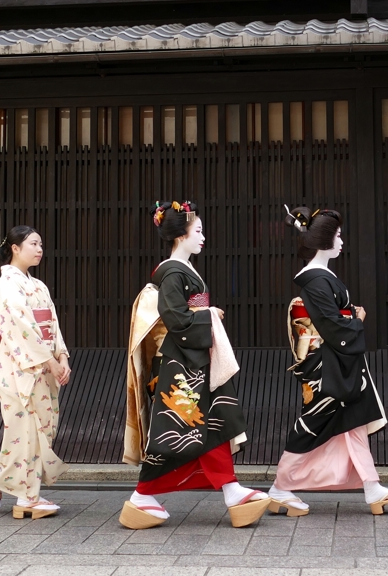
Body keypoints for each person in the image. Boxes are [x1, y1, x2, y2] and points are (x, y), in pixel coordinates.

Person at [121, 201, 268, 530]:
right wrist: (208, 315)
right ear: (180, 236)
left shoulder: (178, 270)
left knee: (208, 423)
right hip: (182, 363)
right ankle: (145, 495)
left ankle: (228, 491)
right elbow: (176, 318)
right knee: (185, 429)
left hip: (192, 359)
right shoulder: (172, 272)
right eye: (197, 231)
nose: (203, 237)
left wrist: (205, 315)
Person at [267, 206, 388, 517]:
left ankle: (372, 487)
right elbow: (332, 325)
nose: (342, 241)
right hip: (324, 364)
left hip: (335, 360)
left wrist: (350, 320)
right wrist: (356, 320)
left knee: (354, 420)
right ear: (323, 240)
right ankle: (280, 487)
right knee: (313, 423)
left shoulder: (321, 277)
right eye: (338, 235)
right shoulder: (315, 281)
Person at [0, 226, 71, 520]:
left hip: (42, 366)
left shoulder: (38, 286)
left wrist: (62, 355)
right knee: (26, 431)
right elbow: (20, 329)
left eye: (41, 244)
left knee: (41, 427)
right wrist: (49, 362)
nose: (40, 249)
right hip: (20, 369)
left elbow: (52, 324)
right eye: (33, 244)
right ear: (15, 248)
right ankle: (28, 498)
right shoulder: (7, 285)